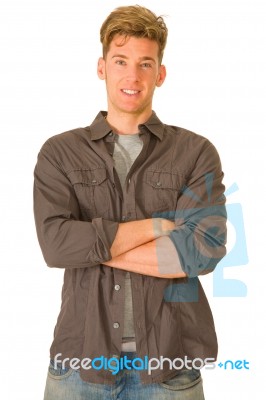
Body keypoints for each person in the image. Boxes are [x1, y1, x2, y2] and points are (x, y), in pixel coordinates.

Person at [34, 5, 227, 400]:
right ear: (102, 66)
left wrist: (91, 245)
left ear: (161, 73)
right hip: (80, 364)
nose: (132, 76)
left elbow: (201, 251)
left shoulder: (195, 152)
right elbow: (55, 245)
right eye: (121, 61)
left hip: (169, 366)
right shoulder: (59, 153)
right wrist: (158, 227)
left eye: (145, 64)